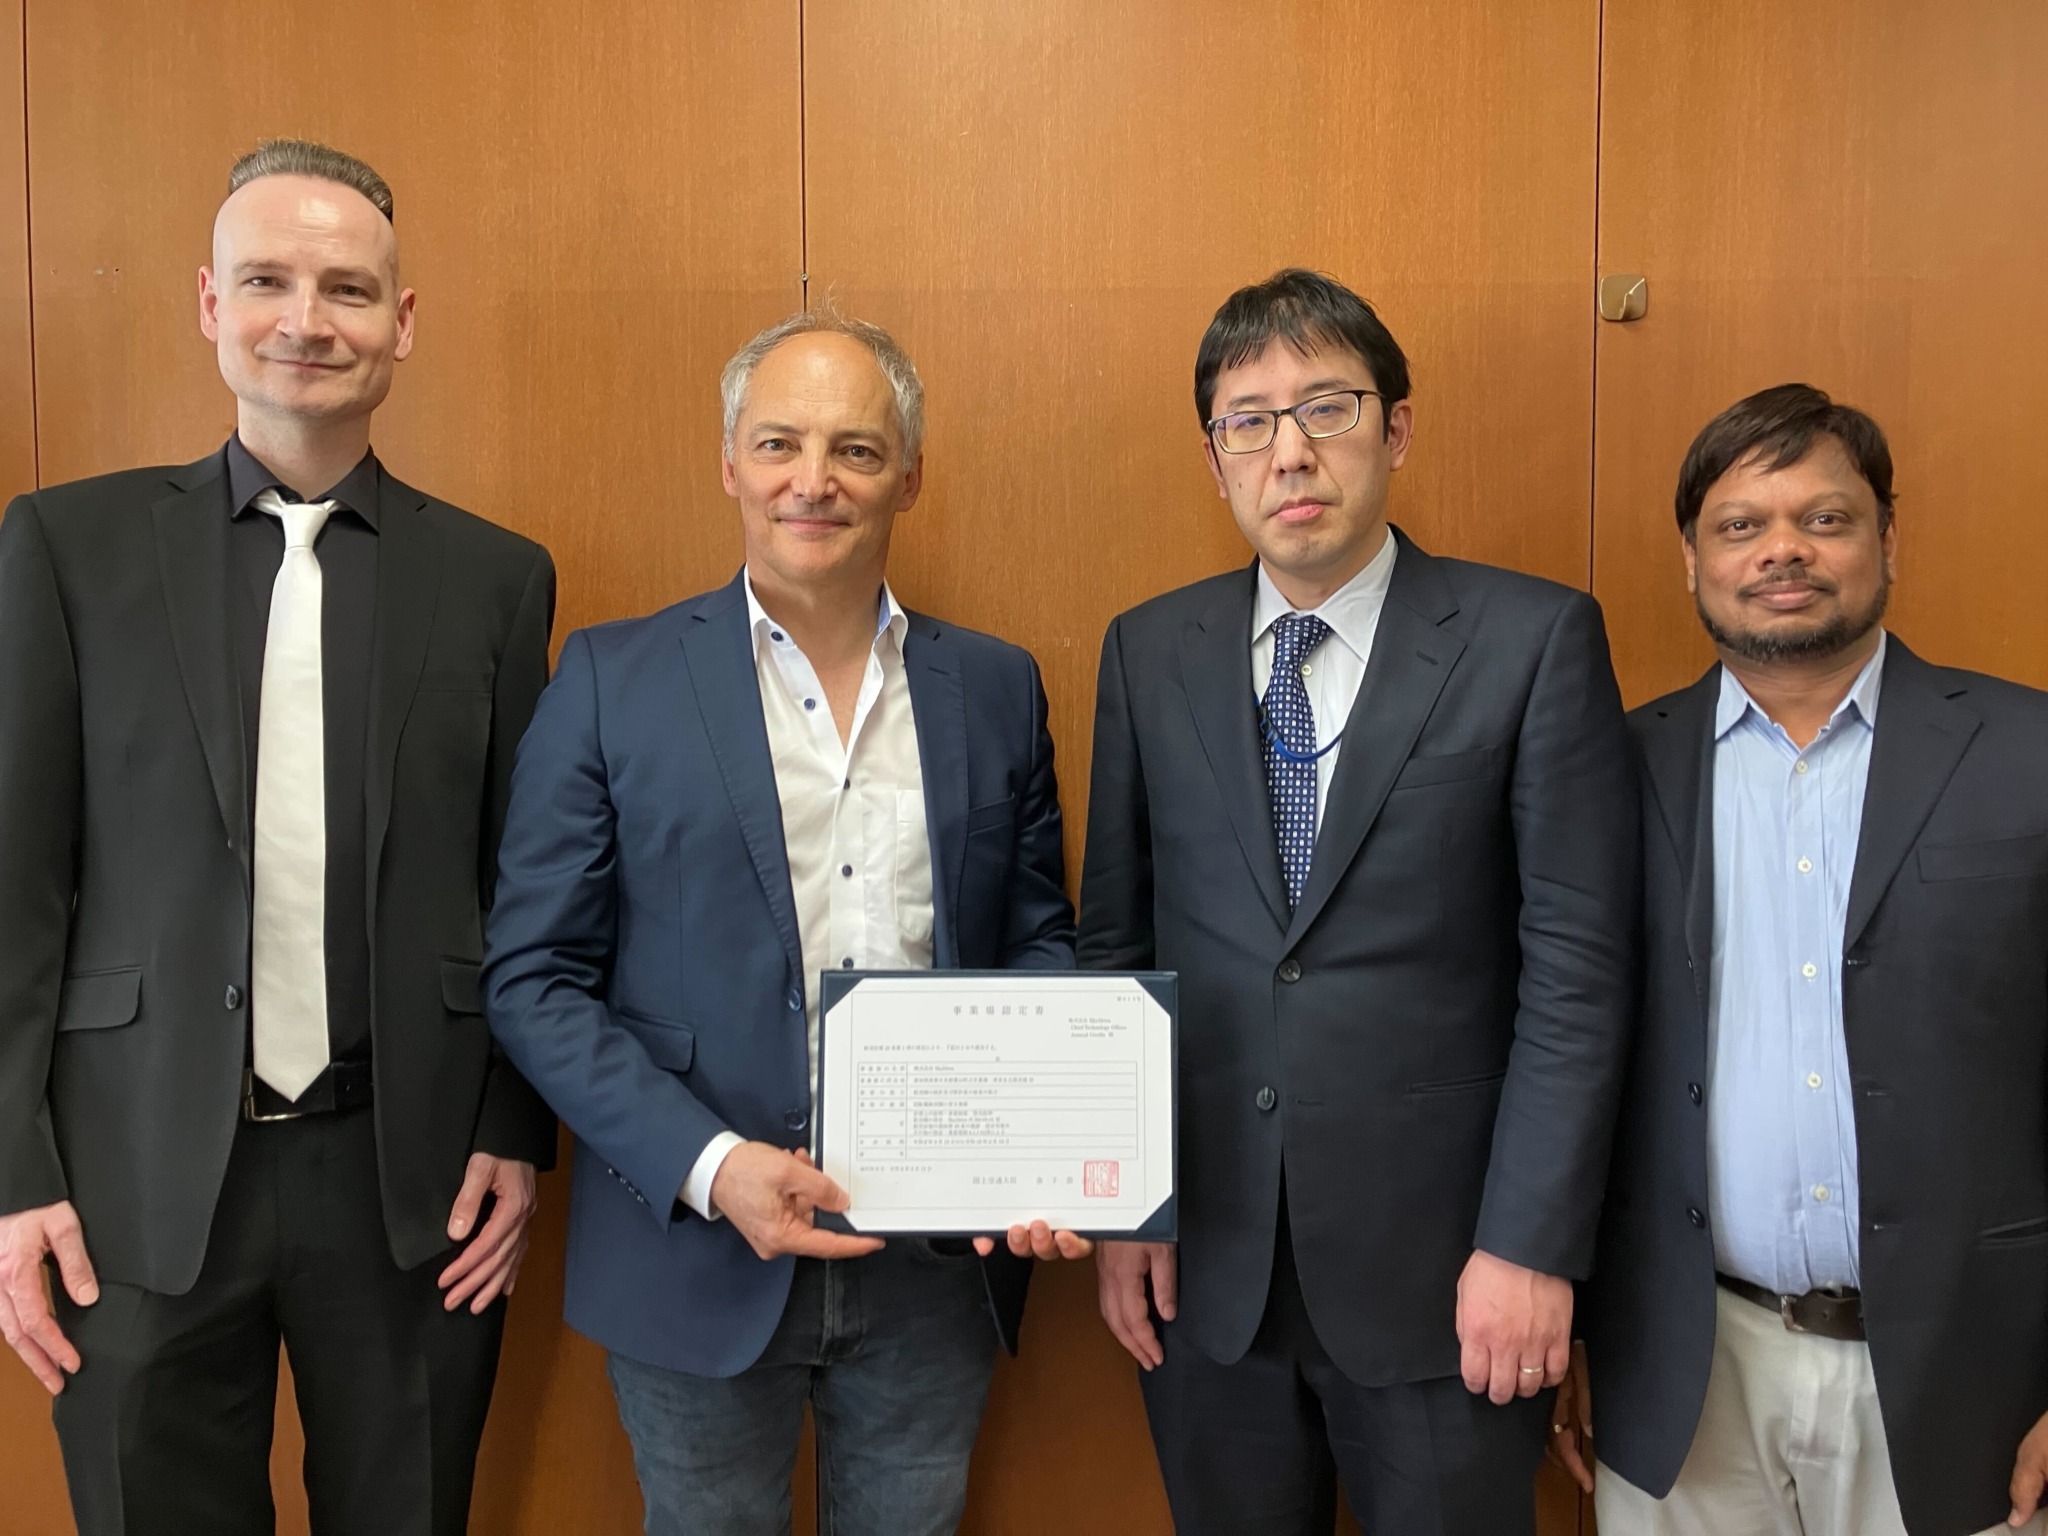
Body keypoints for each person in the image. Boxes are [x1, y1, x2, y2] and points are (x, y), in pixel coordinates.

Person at [0, 140, 556, 1535]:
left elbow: (526, 885)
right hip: (131, 1187)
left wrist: (513, 1124)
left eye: (347, 288)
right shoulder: (68, 549)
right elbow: (16, 886)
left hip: (414, 1178)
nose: (306, 319)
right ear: (207, 303)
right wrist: (12, 1178)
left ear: (402, 322)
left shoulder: (496, 579)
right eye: (267, 280)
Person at [482, 308, 1082, 1536]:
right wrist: (713, 1170)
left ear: (908, 475)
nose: (814, 480)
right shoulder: (608, 681)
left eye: (856, 450)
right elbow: (533, 978)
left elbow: (1038, 946)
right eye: (778, 445)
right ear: (729, 465)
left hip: (931, 1267)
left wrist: (1034, 1153)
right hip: (692, 1250)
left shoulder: (996, 686)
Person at [1078, 267, 1638, 1535]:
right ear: (1214, 456)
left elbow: (1577, 973)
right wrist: (1127, 1210)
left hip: (1452, 1283)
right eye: (1248, 420)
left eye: (1325, 407)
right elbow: (1116, 949)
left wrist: (1531, 1246)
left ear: (1393, 429)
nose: (1289, 451)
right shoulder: (1146, 650)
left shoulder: (1529, 639)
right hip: (1205, 1279)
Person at [1563, 383, 2048, 1536]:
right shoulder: (1609, 772)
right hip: (1685, 1376)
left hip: (1967, 1377)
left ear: (1886, 538)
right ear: (1690, 560)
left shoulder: (2026, 752)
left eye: (1823, 519)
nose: (1781, 549)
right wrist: (1581, 1324)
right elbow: (1566, 1053)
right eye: (1739, 525)